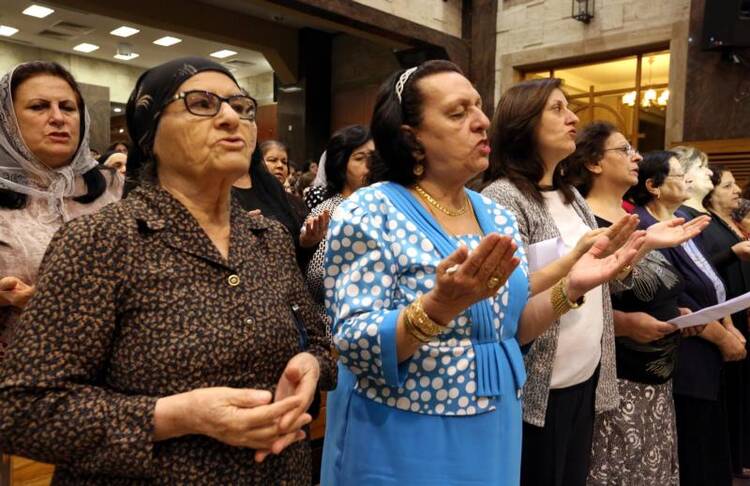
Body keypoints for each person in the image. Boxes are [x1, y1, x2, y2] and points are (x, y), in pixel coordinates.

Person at [0, 57, 336, 484]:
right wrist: (176, 416)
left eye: (241, 106)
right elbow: (23, 410)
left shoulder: (266, 237)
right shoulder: (103, 241)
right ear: (150, 132)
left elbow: (322, 343)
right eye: (202, 103)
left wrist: (308, 366)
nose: (232, 118)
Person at [320, 61, 643, 485]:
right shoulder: (368, 211)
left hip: (494, 423)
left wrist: (573, 285)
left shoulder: (494, 215)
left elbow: (511, 330)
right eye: (458, 113)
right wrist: (437, 308)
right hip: (402, 433)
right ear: (411, 138)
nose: (482, 122)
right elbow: (354, 345)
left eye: (479, 107)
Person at [481, 78, 641, 486]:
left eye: (569, 108)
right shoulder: (505, 197)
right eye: (557, 109)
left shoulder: (571, 194)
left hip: (584, 376)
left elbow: (595, 275)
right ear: (523, 123)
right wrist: (573, 276)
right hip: (538, 387)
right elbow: (510, 297)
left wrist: (622, 262)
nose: (573, 118)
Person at [562, 122, 710, 485]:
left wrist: (677, 314)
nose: (637, 156)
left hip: (657, 383)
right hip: (616, 382)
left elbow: (655, 287)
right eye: (624, 150)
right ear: (595, 164)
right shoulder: (583, 223)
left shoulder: (636, 219)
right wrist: (626, 323)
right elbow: (572, 297)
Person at [625, 151, 744, 486]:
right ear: (653, 186)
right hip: (686, 349)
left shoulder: (683, 219)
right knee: (695, 448)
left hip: (709, 343)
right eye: (679, 175)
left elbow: (710, 282)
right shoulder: (645, 227)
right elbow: (676, 297)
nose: (689, 180)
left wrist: (729, 324)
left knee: (710, 441)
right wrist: (722, 335)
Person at [0, 61, 122, 360]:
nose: (58, 118)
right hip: (20, 374)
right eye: (39, 107)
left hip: (116, 370)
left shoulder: (113, 187)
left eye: (68, 107)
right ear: (7, 121)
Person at [697, 166, 750, 479]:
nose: (737, 191)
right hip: (722, 313)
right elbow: (709, 266)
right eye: (728, 186)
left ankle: (740, 455)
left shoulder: (730, 223)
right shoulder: (705, 223)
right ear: (712, 192)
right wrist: (734, 251)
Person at [304, 124, 373, 335]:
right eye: (360, 158)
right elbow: (317, 279)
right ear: (341, 165)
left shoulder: (388, 206)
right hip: (336, 328)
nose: (370, 166)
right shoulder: (329, 211)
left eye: (374, 158)